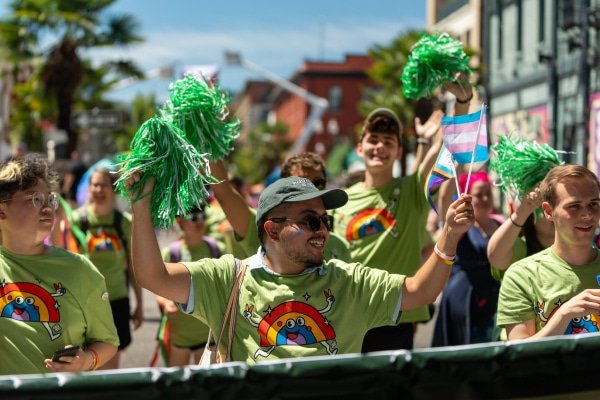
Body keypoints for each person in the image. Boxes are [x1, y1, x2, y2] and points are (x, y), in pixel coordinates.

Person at [125, 173, 473, 363]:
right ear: (272, 229)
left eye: (324, 219)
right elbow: (152, 276)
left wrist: (449, 237)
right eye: (309, 220)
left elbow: (420, 292)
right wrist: (141, 207)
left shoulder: (349, 281)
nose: (321, 229)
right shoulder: (228, 279)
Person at [331, 81, 471, 351]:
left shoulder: (410, 193)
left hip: (395, 319)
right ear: (360, 148)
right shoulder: (339, 201)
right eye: (373, 140)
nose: (379, 147)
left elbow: (446, 149)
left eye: (388, 142)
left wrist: (462, 102)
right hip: (346, 318)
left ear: (397, 151)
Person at [0, 154, 118, 374]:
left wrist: (87, 361)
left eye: (49, 199)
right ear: (1, 211)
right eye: (34, 199)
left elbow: (108, 342)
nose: (46, 207)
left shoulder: (80, 269)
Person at [497, 164, 600, 340]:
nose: (587, 215)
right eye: (574, 206)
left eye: (594, 204)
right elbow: (519, 354)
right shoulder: (522, 276)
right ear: (548, 211)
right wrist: (563, 314)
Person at [210, 152, 351, 262]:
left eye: (318, 184)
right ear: (272, 231)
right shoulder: (262, 230)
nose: (312, 191)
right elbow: (225, 193)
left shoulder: (339, 246)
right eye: (302, 184)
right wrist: (208, 144)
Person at [72, 167, 143, 369]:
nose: (98, 189)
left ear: (113, 189)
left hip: (116, 300)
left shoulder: (124, 223)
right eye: (94, 184)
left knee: (111, 363)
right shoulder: (78, 221)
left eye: (103, 184)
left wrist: (139, 304)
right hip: (84, 303)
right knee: (84, 363)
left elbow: (133, 267)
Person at [432, 171, 504, 346]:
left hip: (493, 298)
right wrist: (453, 167)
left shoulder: (501, 223)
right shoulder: (459, 224)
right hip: (462, 299)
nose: (485, 198)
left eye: (488, 193)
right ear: (468, 198)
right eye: (479, 194)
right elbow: (444, 198)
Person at [155, 207, 224, 366]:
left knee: (206, 387)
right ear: (180, 222)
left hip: (209, 334)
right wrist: (165, 302)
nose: (199, 221)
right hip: (180, 334)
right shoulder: (172, 252)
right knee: (179, 386)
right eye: (193, 218)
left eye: (202, 216)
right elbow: (158, 286)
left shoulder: (216, 248)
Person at [487, 186, 555, 281]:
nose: (553, 211)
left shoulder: (580, 246)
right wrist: (523, 209)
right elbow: (495, 256)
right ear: (531, 217)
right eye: (544, 207)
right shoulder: (520, 248)